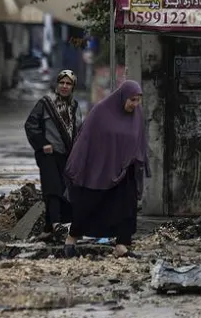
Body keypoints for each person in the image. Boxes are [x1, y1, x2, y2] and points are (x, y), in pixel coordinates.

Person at [63, 80, 149, 258]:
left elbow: (140, 138)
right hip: (100, 168)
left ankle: (122, 244)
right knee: (89, 203)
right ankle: (72, 238)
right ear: (123, 97)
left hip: (125, 170)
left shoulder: (136, 114)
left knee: (127, 207)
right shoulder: (101, 111)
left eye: (138, 100)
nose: (135, 104)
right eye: (132, 100)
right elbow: (86, 138)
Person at [24, 70, 82, 238]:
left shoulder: (74, 107)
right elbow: (30, 125)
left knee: (66, 189)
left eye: (68, 83)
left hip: (67, 155)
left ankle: (50, 227)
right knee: (52, 188)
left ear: (73, 87)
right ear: (57, 85)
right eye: (61, 83)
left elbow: (79, 131)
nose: (64, 86)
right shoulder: (45, 103)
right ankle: (57, 224)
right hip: (48, 155)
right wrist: (43, 144)